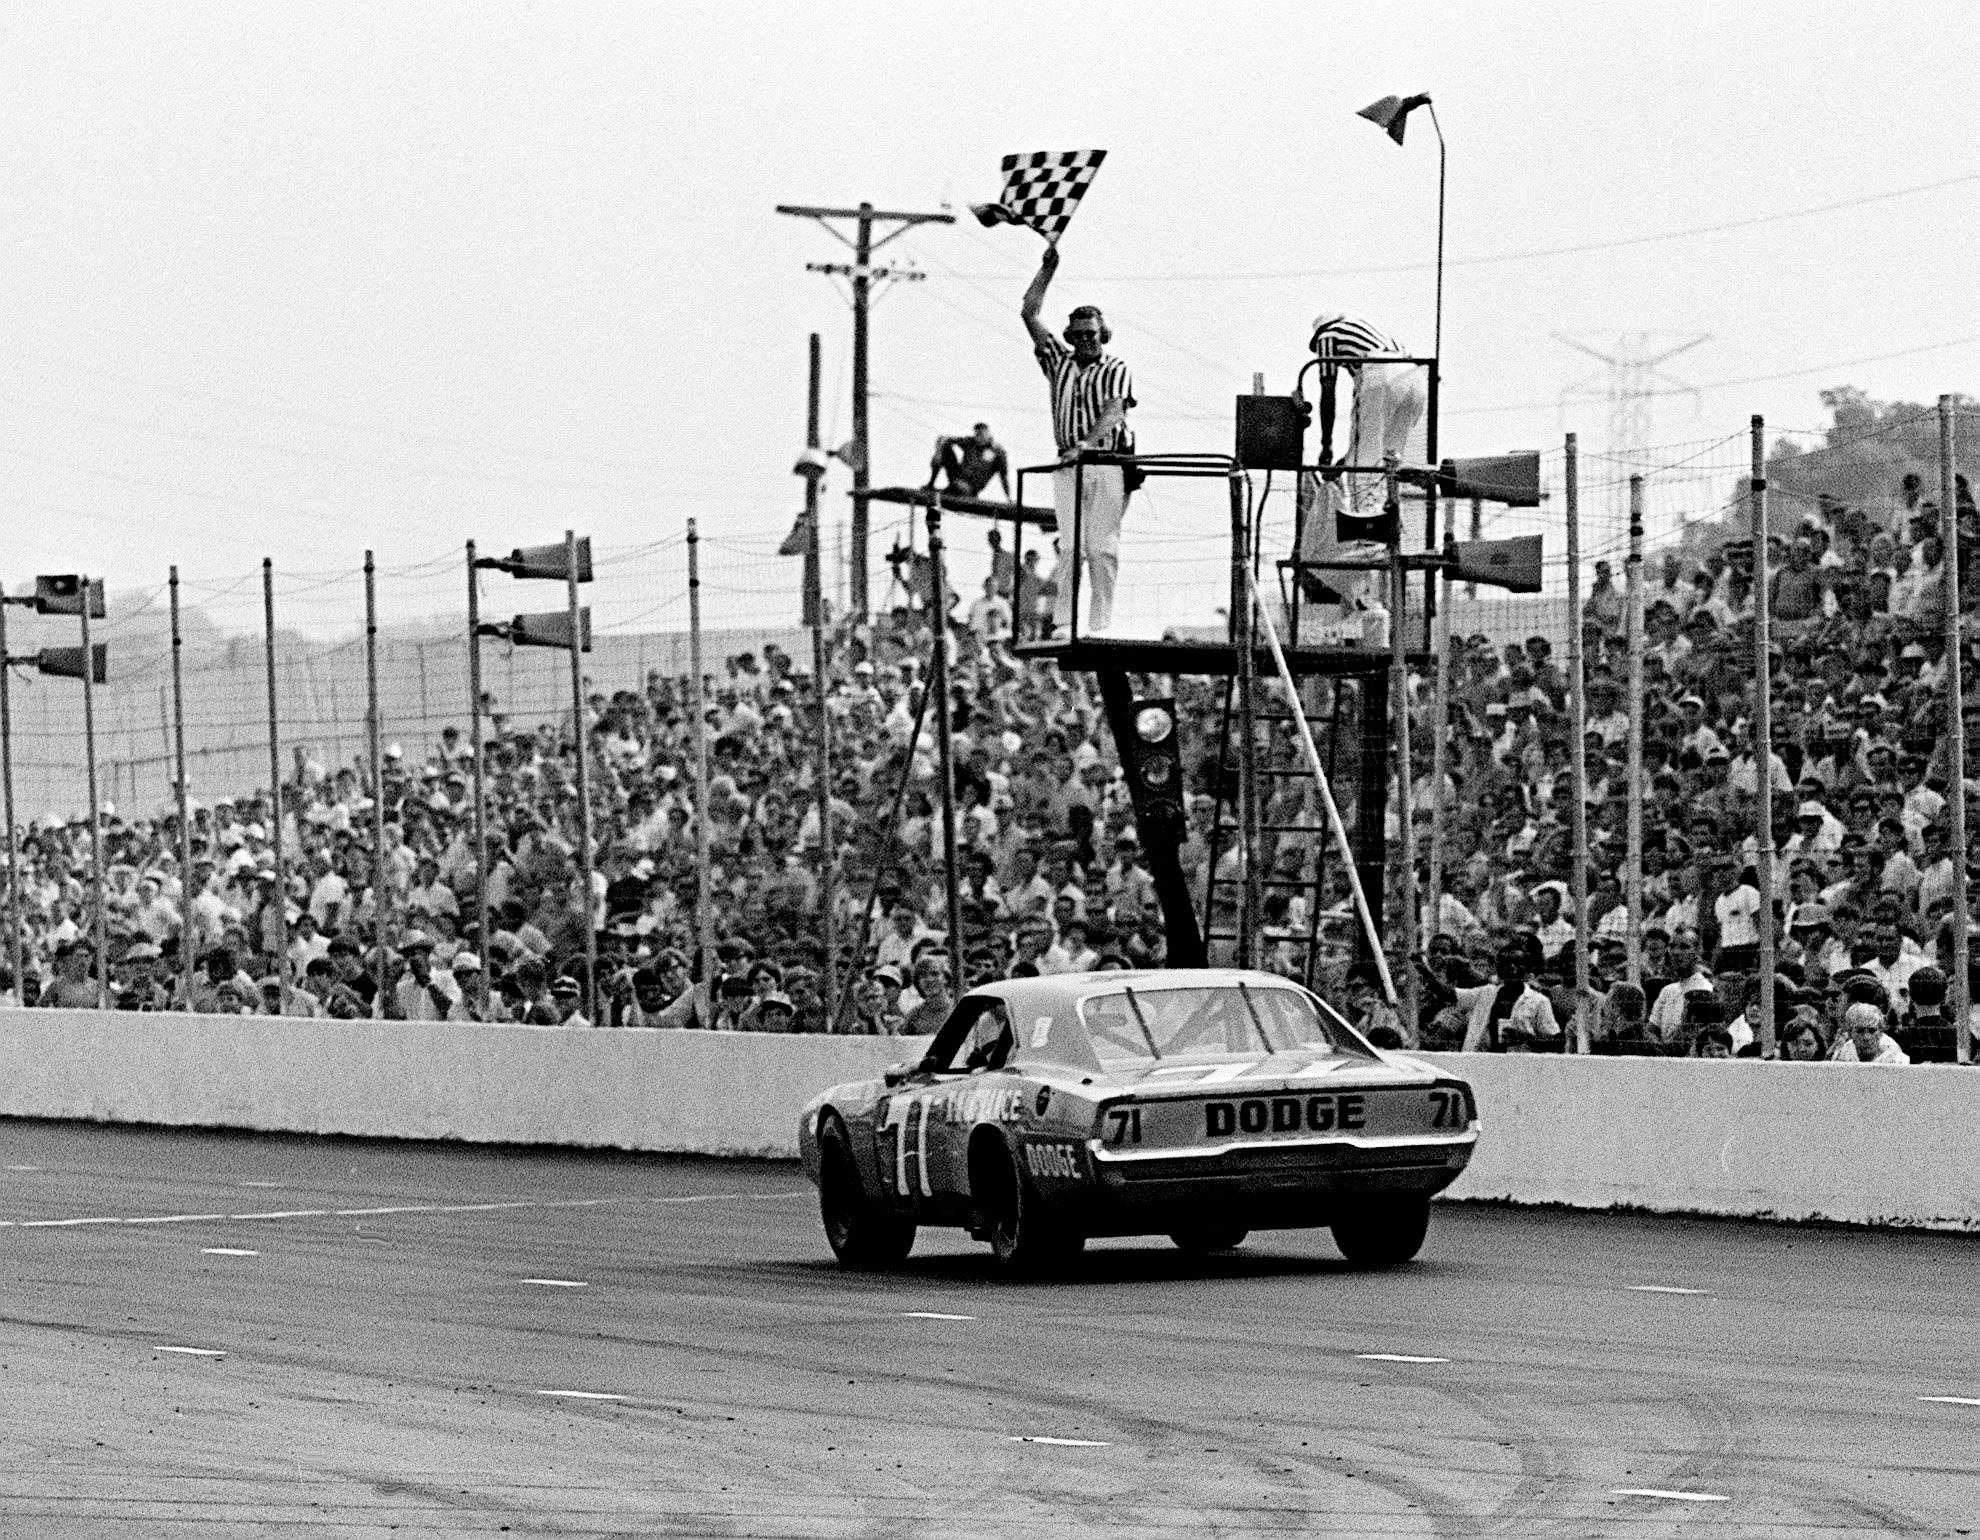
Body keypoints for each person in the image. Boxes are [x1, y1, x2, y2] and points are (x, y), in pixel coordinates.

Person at [1020, 242, 1135, 638]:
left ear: (1103, 334)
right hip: (1068, 464)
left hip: (1105, 462)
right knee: (1069, 548)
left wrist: (1087, 444)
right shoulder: (1060, 362)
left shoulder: (1116, 367)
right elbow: (1029, 312)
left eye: (1093, 334)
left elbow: (1115, 409)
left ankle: (1100, 625)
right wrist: (1046, 270)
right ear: (1071, 336)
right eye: (1080, 334)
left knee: (1101, 549)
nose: (1087, 340)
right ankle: (1065, 623)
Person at [929, 423, 1012, 501]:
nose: (979, 438)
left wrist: (1009, 498)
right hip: (957, 477)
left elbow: (1003, 477)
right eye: (977, 435)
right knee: (945, 447)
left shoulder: (998, 452)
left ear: (988, 434)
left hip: (971, 487)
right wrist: (938, 453)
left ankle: (953, 490)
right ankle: (930, 484)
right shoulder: (970, 442)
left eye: (981, 435)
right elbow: (943, 438)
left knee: (960, 488)